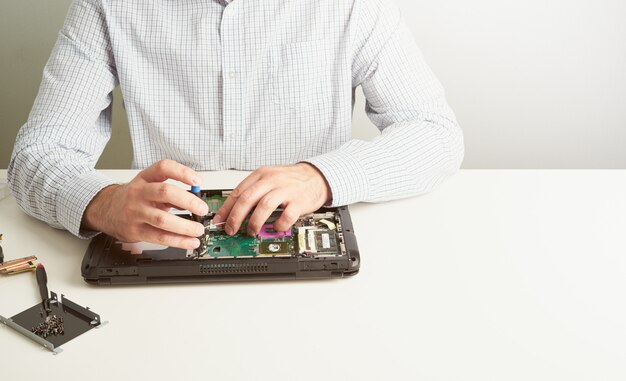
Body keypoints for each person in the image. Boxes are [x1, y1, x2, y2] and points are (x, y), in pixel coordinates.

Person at [8, 0, 464, 250]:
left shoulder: (353, 6)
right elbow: (38, 154)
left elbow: (434, 133)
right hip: (163, 253)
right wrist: (104, 203)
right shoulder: (105, 5)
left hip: (306, 247)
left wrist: (321, 177)